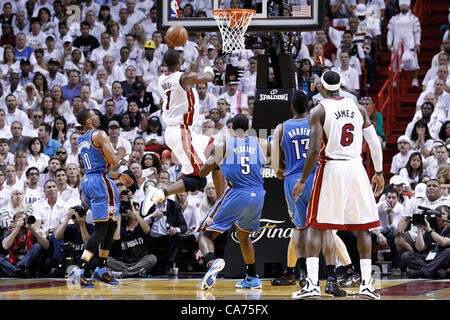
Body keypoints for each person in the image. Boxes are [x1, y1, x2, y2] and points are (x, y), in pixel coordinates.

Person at [291, 70, 384, 299]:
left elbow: (313, 150)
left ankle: (312, 284)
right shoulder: (359, 108)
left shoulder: (319, 110)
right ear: (340, 86)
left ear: (321, 88)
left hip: (332, 168)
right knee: (363, 226)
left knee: (316, 226)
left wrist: (302, 180)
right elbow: (374, 143)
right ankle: (367, 284)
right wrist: (379, 172)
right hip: (356, 168)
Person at [142, 43, 223, 215]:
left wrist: (200, 57)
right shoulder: (183, 78)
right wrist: (207, 59)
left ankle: (222, 199)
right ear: (180, 60)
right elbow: (208, 76)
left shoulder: (162, 78)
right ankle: (158, 193)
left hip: (181, 131)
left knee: (216, 153)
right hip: (181, 131)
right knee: (198, 179)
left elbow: (191, 75)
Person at [197, 114, 267, 290]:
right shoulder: (261, 142)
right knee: (244, 235)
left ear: (232, 129)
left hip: (238, 193)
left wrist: (212, 162)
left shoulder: (224, 146)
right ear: (249, 126)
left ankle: (211, 263)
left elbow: (203, 172)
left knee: (205, 234)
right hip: (258, 195)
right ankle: (252, 277)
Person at [69, 109, 134, 288]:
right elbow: (113, 161)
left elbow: (99, 165)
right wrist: (122, 152)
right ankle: (80, 270)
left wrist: (117, 177)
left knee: (111, 225)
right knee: (101, 229)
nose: (99, 117)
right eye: (95, 115)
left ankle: (102, 269)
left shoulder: (82, 139)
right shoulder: (99, 134)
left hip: (91, 180)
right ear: (89, 121)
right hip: (101, 183)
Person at [402, 205, 450, 279]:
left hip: (440, 258)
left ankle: (422, 272)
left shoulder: (447, 229)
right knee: (406, 255)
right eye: (438, 215)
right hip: (428, 258)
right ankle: (434, 271)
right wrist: (420, 229)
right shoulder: (431, 228)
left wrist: (430, 230)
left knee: (448, 251)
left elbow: (443, 243)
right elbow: (420, 248)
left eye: (443, 214)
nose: (440, 217)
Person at [0, 211, 49, 278]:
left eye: (25, 219)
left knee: (37, 246)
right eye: (20, 220)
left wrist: (32, 229)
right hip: (12, 263)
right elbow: (5, 246)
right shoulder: (10, 232)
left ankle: (18, 268)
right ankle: (17, 271)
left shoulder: (32, 231)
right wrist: (17, 229)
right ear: (14, 223)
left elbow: (46, 246)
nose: (23, 222)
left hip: (28, 265)